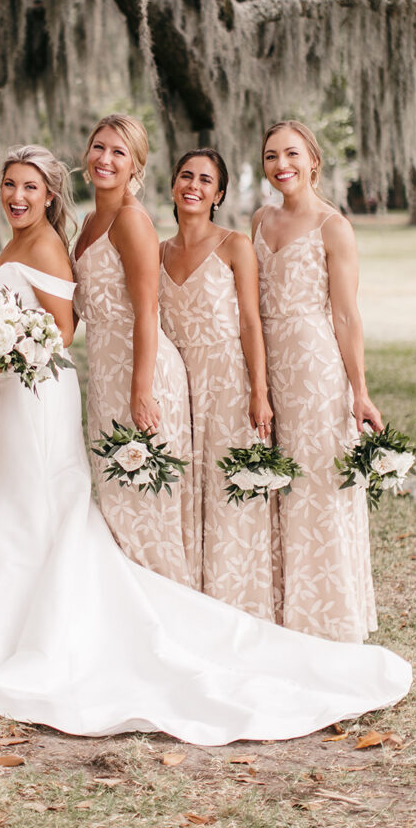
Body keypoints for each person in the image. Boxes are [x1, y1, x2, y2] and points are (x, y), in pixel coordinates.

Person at [0, 144, 411, 745]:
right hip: (76, 383)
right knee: (51, 502)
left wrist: (148, 387)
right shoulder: (95, 236)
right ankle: (18, 623)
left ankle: (146, 617)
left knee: (93, 501)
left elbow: (123, 318)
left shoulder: (143, 225)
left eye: (119, 152)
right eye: (10, 183)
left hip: (125, 381)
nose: (19, 195)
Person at [253, 120, 381, 642]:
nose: (281, 165)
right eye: (270, 156)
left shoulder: (334, 227)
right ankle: (284, 609)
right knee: (278, 480)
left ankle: (328, 615)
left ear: (313, 160)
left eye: (291, 154)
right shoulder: (259, 219)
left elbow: (347, 316)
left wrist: (360, 391)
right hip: (266, 364)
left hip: (313, 367)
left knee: (317, 482)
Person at [72, 115, 198, 588]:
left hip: (142, 374)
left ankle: (165, 609)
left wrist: (141, 391)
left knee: (145, 505)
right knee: (117, 501)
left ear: (136, 166)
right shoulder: (89, 222)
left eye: (118, 152)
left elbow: (148, 311)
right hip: (105, 378)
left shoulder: (131, 220)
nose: (106, 159)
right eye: (99, 147)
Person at [159, 149, 276, 620]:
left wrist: (259, 391)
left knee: (226, 488)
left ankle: (237, 606)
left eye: (205, 180)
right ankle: (190, 602)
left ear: (219, 194)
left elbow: (251, 321)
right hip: (177, 383)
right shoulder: (158, 249)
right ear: (173, 186)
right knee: (186, 488)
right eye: (186, 176)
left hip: (227, 379)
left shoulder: (234, 245)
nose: (193, 185)